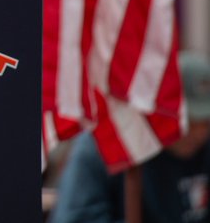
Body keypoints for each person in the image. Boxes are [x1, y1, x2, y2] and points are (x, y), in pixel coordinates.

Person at [50, 51, 210, 223]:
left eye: (206, 122)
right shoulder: (105, 145)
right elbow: (74, 218)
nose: (199, 132)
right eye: (188, 121)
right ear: (157, 108)